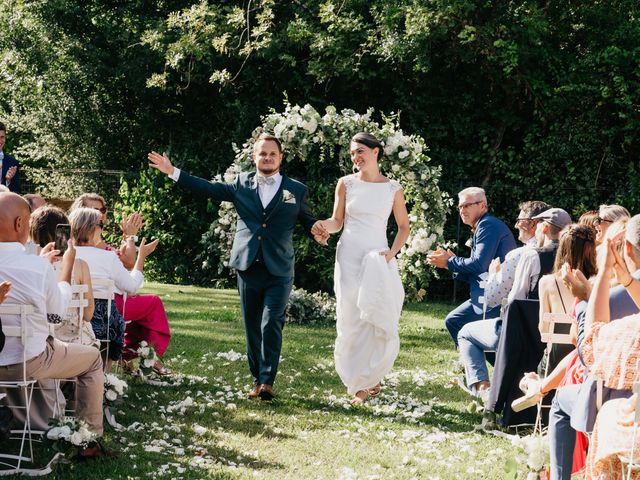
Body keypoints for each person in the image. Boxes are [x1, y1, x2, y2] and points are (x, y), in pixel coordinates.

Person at [148, 133, 328, 400]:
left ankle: (267, 381)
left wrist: (317, 231)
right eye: (262, 153)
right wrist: (172, 171)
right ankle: (257, 380)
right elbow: (209, 188)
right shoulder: (241, 184)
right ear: (254, 157)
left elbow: (307, 220)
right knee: (252, 326)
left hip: (280, 268)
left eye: (272, 154)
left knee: (272, 323)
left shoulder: (296, 190)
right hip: (248, 266)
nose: (267, 158)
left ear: (280, 157)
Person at [0, 192, 110, 457]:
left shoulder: (35, 265)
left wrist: (41, 264)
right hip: (29, 361)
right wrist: (64, 270)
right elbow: (56, 315)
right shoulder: (35, 269)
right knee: (93, 359)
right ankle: (87, 438)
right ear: (19, 224)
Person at [314, 133, 409, 404]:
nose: (356, 157)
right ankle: (356, 379)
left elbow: (404, 227)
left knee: (374, 314)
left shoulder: (393, 188)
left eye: (360, 151)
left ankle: (368, 382)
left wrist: (391, 253)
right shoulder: (345, 184)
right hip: (348, 256)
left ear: (376, 152)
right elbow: (337, 221)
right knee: (350, 315)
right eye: (353, 153)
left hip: (376, 258)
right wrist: (323, 226)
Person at [70, 193, 172, 374]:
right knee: (148, 303)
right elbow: (131, 279)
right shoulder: (105, 255)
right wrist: (141, 255)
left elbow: (127, 262)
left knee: (132, 306)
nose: (100, 215)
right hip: (104, 313)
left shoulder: (64, 252)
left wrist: (129, 237)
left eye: (102, 211)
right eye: (95, 212)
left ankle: (134, 354)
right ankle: (138, 354)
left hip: (70, 313)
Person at [457, 200, 549, 395]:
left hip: (519, 333)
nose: (515, 225)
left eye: (519, 220)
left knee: (465, 332)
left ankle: (483, 389)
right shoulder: (568, 254)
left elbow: (492, 298)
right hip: (552, 335)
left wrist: (493, 275)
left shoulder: (521, 254)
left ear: (533, 224)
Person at [427, 187, 516, 346]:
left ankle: (479, 366)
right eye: (460, 207)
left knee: (456, 322)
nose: (462, 210)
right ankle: (482, 366)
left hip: (495, 298)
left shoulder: (487, 225)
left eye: (467, 205)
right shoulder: (484, 225)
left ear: (482, 205)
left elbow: (478, 264)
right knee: (457, 323)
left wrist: (449, 261)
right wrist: (450, 266)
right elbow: (479, 271)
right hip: (490, 294)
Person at [29, 205, 97, 346]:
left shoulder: (29, 264)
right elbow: (88, 315)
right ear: (66, 232)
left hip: (38, 340)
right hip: (77, 342)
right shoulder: (80, 265)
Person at [0, 123, 20, 193]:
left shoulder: (13, 163)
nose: (0, 141)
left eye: (2, 137)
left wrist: (8, 180)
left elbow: (16, 192)